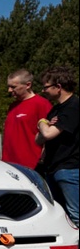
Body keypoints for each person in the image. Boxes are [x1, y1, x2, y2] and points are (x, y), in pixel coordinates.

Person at [35, 65, 79, 227]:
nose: (43, 91)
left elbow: (47, 134)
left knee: (76, 216)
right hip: (53, 169)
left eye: (46, 87)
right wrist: (45, 124)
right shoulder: (55, 110)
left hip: (70, 169)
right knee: (61, 219)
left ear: (58, 87)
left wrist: (41, 122)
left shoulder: (73, 107)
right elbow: (38, 139)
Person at [1, 69, 51, 168]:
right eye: (9, 87)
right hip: (8, 165)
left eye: (13, 87)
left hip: (30, 165)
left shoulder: (41, 104)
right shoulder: (13, 106)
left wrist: (42, 159)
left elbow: (49, 135)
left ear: (28, 85)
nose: (9, 90)